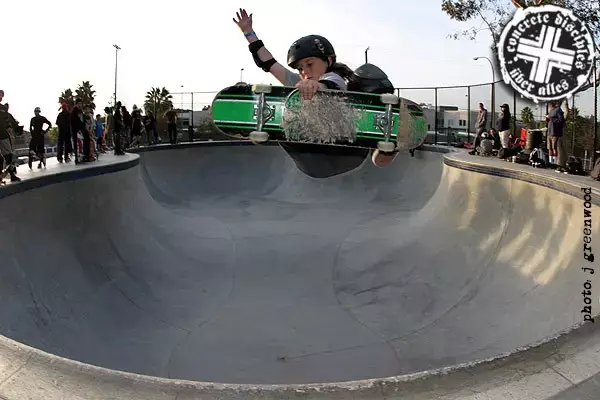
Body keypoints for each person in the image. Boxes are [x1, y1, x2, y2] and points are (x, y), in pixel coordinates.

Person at [233, 8, 354, 100]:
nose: (304, 72)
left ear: (329, 60)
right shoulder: (299, 82)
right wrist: (248, 32)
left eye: (310, 64)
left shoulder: (335, 78)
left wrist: (314, 86)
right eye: (300, 68)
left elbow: (330, 85)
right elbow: (269, 63)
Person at [0, 103, 21, 182]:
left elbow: (9, 123)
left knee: (9, 156)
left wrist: (16, 130)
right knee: (3, 158)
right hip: (4, 135)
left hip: (3, 135)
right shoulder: (4, 109)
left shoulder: (3, 109)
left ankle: (12, 175)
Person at [546, 101, 566, 171]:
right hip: (550, 132)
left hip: (555, 132)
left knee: (554, 148)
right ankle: (550, 163)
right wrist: (548, 118)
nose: (549, 106)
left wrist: (552, 118)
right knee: (550, 148)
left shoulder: (558, 110)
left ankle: (555, 164)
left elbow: (561, 120)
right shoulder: (551, 110)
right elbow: (550, 119)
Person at [70, 99, 85, 164]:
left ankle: (81, 157)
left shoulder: (81, 111)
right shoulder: (73, 112)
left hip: (80, 130)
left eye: (80, 104)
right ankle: (77, 159)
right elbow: (74, 122)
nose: (80, 105)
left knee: (81, 144)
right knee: (77, 144)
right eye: (78, 104)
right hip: (75, 130)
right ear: (76, 104)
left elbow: (82, 121)